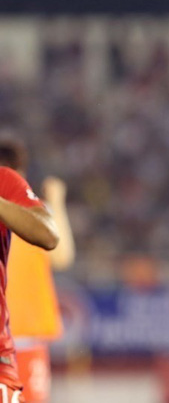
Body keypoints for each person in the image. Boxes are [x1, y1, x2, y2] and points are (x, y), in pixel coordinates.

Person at [0, 134, 75, 403]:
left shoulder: (32, 214)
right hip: (23, 336)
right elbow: (62, 255)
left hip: (23, 337)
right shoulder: (32, 215)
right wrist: (57, 203)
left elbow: (59, 253)